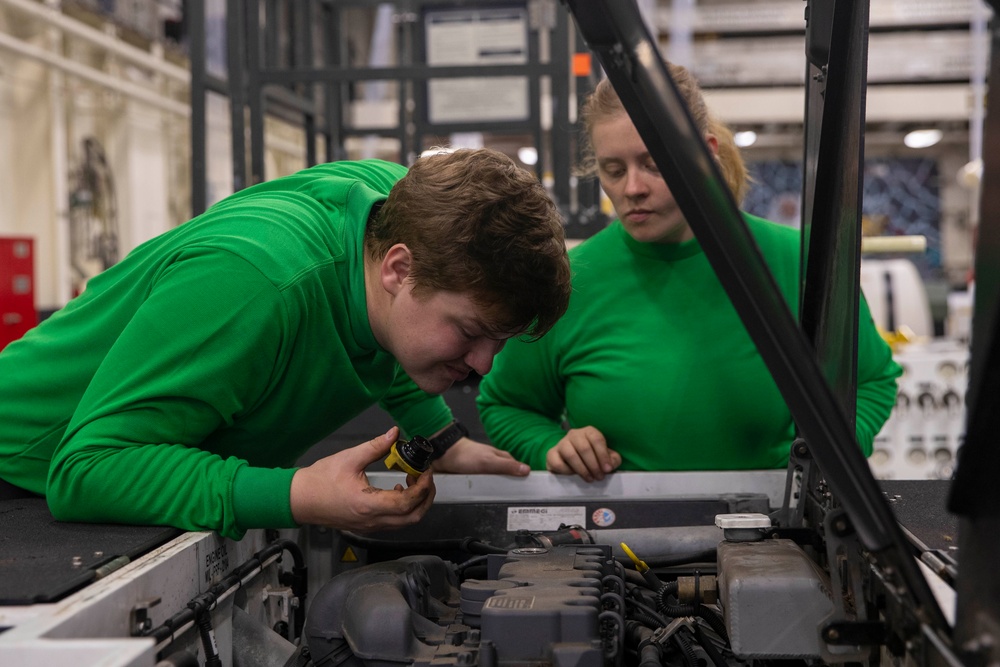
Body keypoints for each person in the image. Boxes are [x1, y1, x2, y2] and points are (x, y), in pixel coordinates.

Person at [0, 148, 572, 539]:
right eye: (471, 333)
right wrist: (297, 494)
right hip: (24, 474)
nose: (483, 365)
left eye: (500, 341)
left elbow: (389, 331)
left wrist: (441, 439)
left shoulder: (394, 213)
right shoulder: (255, 284)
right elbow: (86, 471)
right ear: (400, 268)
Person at [476, 67, 902, 482]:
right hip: (623, 534)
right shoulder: (569, 281)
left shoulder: (799, 262)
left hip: (781, 527)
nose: (633, 188)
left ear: (706, 153)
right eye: (614, 169)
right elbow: (507, 405)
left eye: (654, 163)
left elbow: (870, 382)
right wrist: (552, 447)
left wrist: (832, 456)